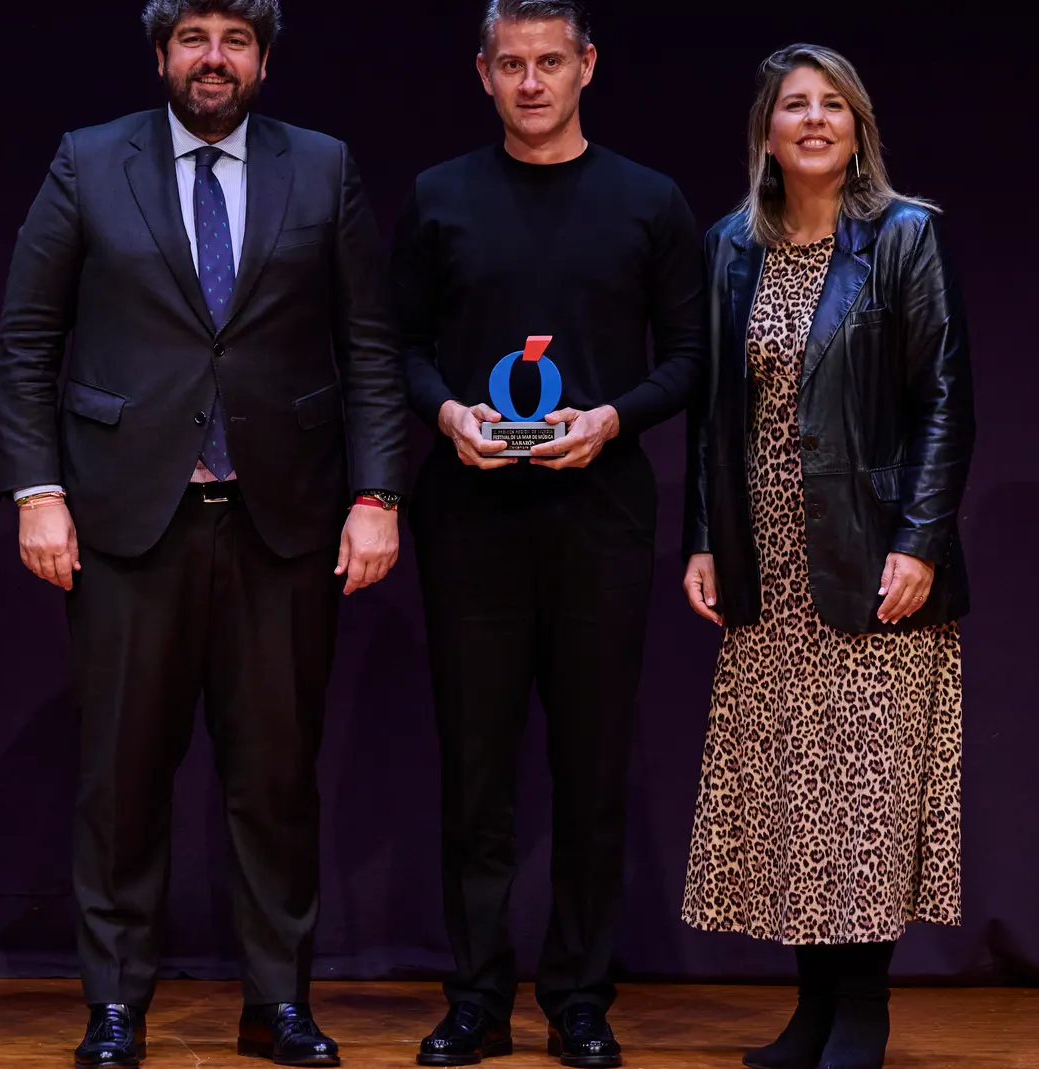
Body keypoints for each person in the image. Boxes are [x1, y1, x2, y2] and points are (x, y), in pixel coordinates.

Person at [0, 1, 408, 1065]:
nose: (211, 58)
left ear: (263, 59)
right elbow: (28, 337)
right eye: (192, 38)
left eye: (233, 39)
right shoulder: (89, 163)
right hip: (129, 521)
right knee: (120, 776)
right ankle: (115, 1002)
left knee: (274, 777)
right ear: (161, 54)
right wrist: (36, 489)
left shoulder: (323, 166)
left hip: (284, 524)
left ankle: (276, 1000)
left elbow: (369, 345)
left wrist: (378, 497)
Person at [391, 3, 706, 1065]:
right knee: (474, 772)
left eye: (550, 63)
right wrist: (446, 416)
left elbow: (689, 358)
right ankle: (476, 997)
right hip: (470, 521)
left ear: (587, 67)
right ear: (482, 74)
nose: (531, 82)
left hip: (599, 519)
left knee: (590, 769)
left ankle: (578, 995)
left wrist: (612, 418)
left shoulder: (647, 201)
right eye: (511, 65)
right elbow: (401, 347)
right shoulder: (439, 197)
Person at [678, 43, 974, 1069]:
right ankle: (809, 1010)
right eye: (793, 105)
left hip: (869, 554)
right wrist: (706, 540)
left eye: (832, 106)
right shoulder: (729, 247)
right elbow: (714, 412)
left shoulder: (901, 238)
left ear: (857, 130)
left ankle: (862, 1012)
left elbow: (944, 399)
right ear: (767, 129)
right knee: (793, 790)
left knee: (863, 794)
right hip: (768, 561)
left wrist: (919, 539)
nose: (812, 120)